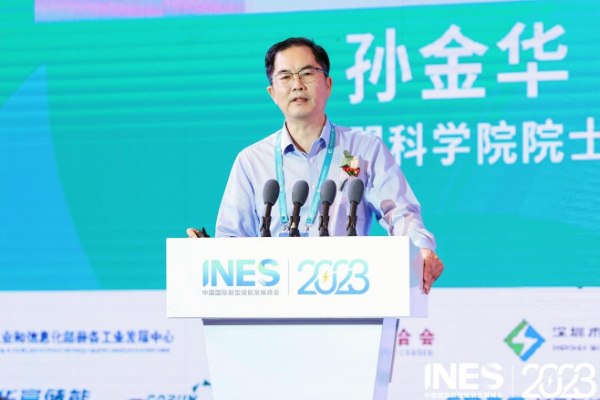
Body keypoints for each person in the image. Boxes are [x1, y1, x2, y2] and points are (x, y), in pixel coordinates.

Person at [187, 37, 444, 293]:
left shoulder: (364, 149)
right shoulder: (251, 161)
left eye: (307, 73)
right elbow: (231, 239)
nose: (297, 84)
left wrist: (420, 248)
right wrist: (209, 252)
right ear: (272, 93)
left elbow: (400, 212)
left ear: (328, 84)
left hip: (349, 293)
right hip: (272, 298)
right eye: (285, 76)